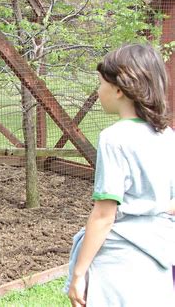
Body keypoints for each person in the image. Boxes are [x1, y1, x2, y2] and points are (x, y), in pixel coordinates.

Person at [66, 44, 175, 307]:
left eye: (101, 83)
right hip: (159, 256)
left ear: (119, 89)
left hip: (118, 262)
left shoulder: (114, 138)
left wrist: (78, 274)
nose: (98, 90)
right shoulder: (167, 136)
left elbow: (104, 215)